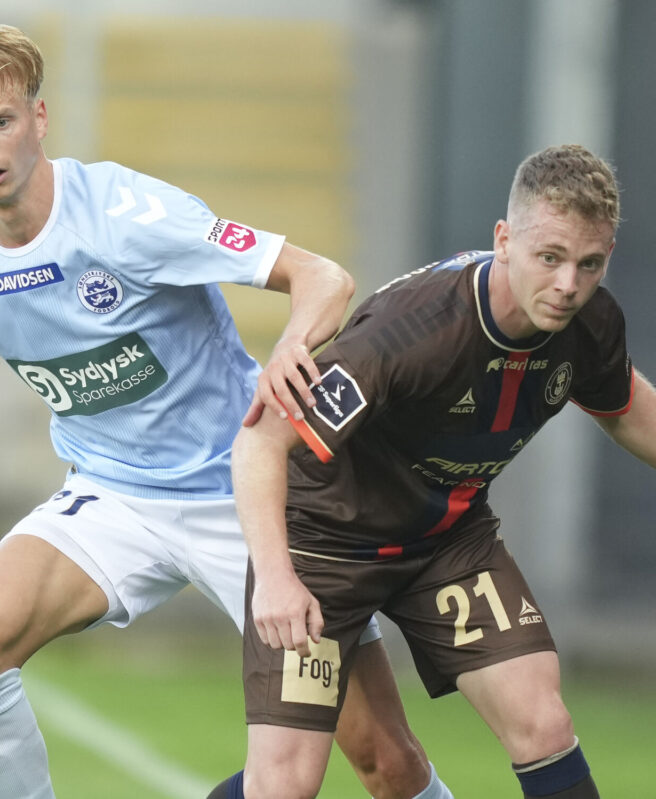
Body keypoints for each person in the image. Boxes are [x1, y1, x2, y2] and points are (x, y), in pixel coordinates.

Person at [0, 22, 453, 799]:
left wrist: (295, 346)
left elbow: (320, 276)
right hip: (115, 497)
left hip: (247, 495)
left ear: (39, 118)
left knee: (383, 760)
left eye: (1, 122)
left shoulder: (125, 214)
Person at [208, 143, 656, 799]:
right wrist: (275, 579)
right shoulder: (410, 334)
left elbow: (627, 408)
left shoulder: (589, 323)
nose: (567, 285)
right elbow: (260, 444)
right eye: (550, 258)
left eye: (589, 264)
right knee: (289, 784)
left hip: (446, 541)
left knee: (544, 721)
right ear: (505, 240)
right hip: (322, 546)